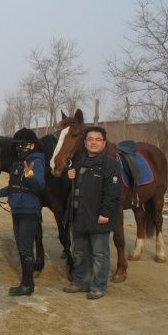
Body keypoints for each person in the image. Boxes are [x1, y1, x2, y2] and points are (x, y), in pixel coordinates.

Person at [61, 126, 121, 300]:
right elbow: (73, 188)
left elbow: (113, 193)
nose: (93, 142)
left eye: (97, 139)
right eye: (90, 139)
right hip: (78, 216)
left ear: (104, 143)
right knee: (79, 252)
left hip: (98, 217)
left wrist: (106, 213)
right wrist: (69, 176)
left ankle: (98, 285)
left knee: (99, 254)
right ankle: (81, 281)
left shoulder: (110, 164)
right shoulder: (79, 161)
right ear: (85, 142)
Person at [0, 128, 45, 296]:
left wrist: (31, 176)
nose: (21, 148)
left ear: (32, 146)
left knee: (26, 248)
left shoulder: (36, 162)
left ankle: (27, 285)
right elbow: (12, 187)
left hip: (29, 211)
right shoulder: (17, 164)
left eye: (24, 145)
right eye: (18, 145)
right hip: (17, 210)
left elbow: (40, 186)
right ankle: (26, 283)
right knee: (21, 246)